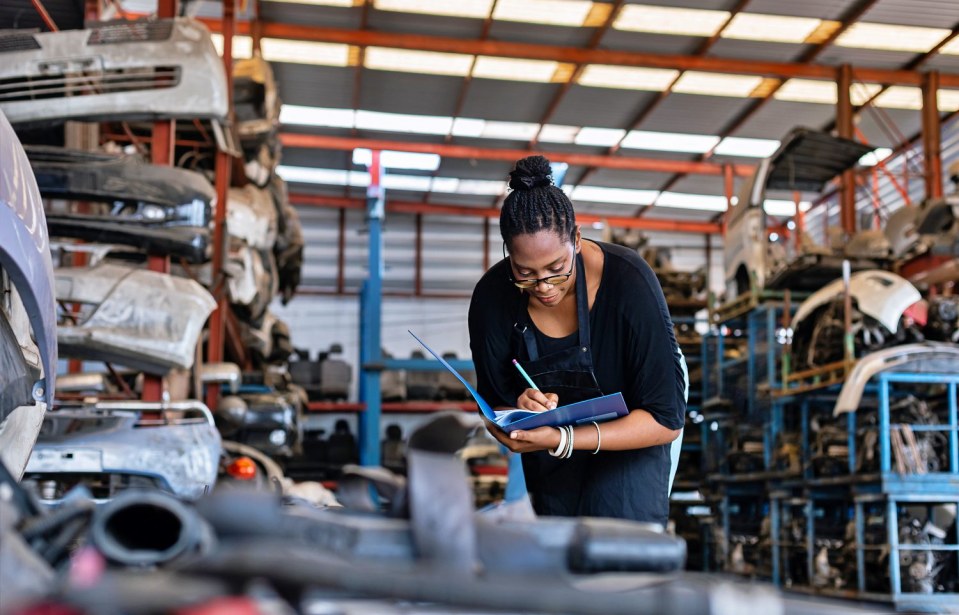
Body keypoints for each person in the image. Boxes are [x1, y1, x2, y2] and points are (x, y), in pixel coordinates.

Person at [468, 155, 687, 525]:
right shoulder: (492, 298)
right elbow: (493, 407)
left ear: (577, 239)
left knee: (619, 532)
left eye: (557, 270)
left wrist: (564, 438)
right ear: (508, 254)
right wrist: (517, 412)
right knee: (558, 537)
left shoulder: (628, 282)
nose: (544, 287)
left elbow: (666, 418)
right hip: (550, 442)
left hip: (637, 426)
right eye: (526, 274)